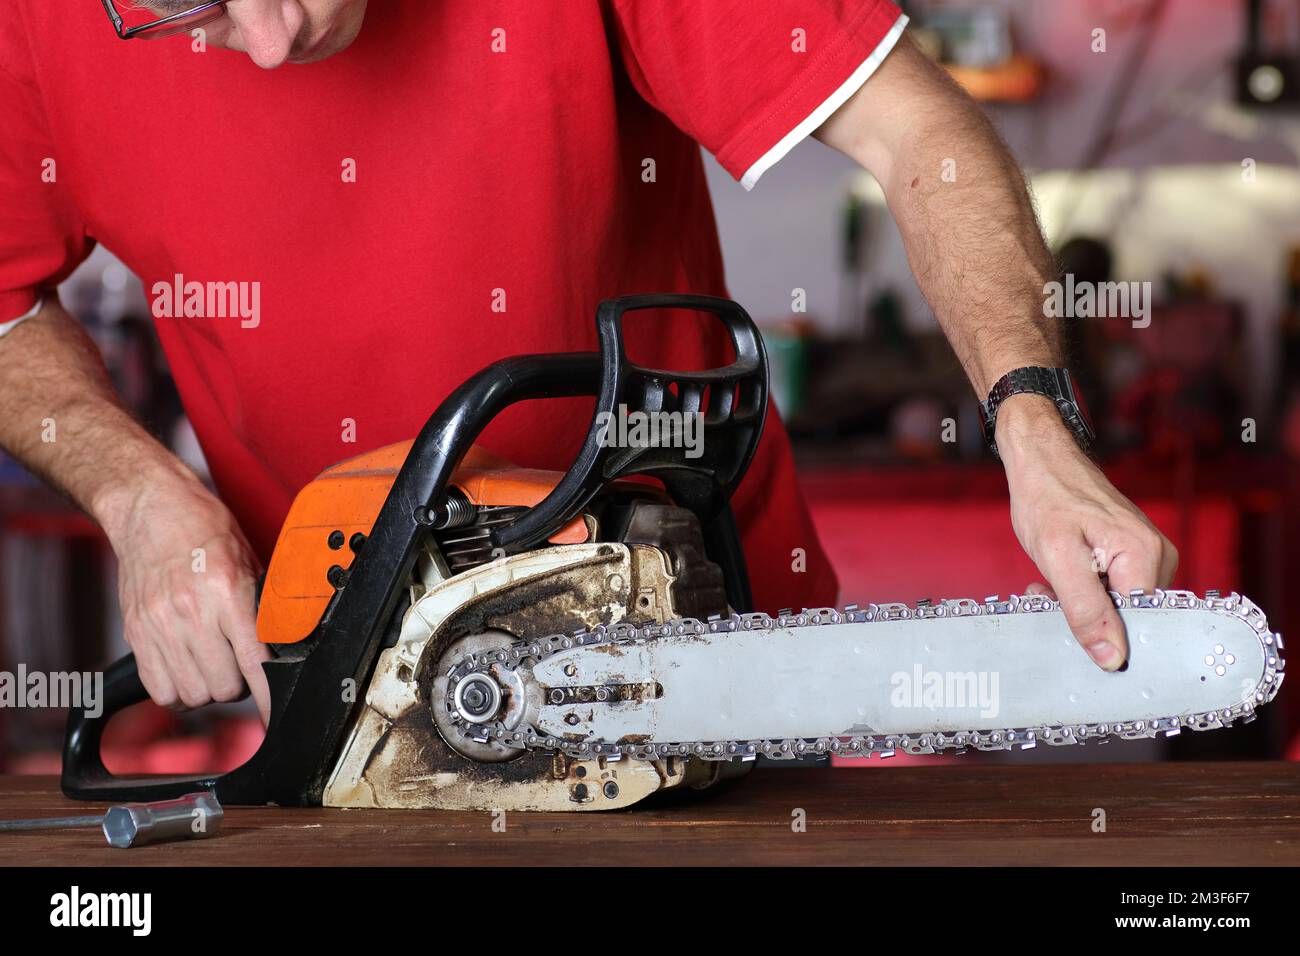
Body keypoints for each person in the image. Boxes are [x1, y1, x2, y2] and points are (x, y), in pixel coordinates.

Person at [0, 0, 1176, 724]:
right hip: (343, 692)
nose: (267, 42)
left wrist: (1032, 418)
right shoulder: (33, 24)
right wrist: (138, 491)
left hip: (706, 642)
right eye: (190, 1)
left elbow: (920, 129)